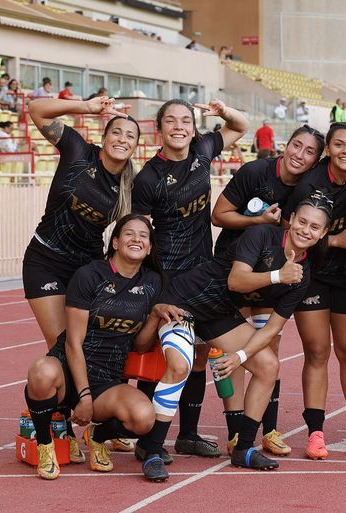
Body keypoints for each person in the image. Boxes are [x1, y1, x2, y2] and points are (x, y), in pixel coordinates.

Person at [157, 195, 332, 471]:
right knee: (171, 362)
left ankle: (243, 448)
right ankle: (150, 446)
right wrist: (278, 276)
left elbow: (273, 328)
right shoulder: (262, 235)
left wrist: (240, 356)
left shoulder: (303, 273)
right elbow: (236, 280)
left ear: (323, 233)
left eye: (314, 227)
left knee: (267, 365)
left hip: (218, 313)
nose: (305, 230)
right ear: (292, 218)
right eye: (302, 222)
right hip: (187, 299)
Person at [23, 214, 184, 480]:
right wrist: (84, 396)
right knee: (41, 371)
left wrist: (155, 315)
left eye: (143, 236)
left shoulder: (153, 283)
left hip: (107, 379)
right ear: (117, 242)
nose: (137, 239)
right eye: (129, 234)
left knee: (144, 419)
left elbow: (141, 347)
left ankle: (97, 435)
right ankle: (45, 444)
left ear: (150, 247)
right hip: (68, 367)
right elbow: (74, 342)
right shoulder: (90, 275)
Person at [132, 98, 248, 463]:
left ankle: (187, 435)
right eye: (171, 121)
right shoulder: (148, 177)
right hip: (169, 280)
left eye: (185, 120)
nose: (179, 127)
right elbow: (139, 231)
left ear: (193, 128)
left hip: (205, 275)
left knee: (200, 354)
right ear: (159, 129)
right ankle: (146, 438)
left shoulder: (203, 148)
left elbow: (240, 126)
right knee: (162, 356)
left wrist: (224, 111)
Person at [22, 96, 139, 460]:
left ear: (136, 146)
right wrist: (87, 108)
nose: (122, 138)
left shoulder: (129, 185)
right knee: (62, 343)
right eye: (116, 132)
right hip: (45, 260)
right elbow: (36, 109)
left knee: (93, 342)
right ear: (104, 137)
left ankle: (94, 418)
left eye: (130, 136)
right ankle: (61, 421)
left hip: (86, 267)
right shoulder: (77, 151)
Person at [211, 124, 324, 456]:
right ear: (285, 145)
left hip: (276, 272)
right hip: (238, 267)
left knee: (266, 351)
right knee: (226, 350)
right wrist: (258, 222)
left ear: (316, 160)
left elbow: (307, 227)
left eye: (309, 152)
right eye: (296, 146)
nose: (299, 155)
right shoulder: (255, 171)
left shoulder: (308, 187)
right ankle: (235, 432)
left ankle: (268, 429)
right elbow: (219, 216)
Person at [281, 122, 346, 459]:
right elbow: (291, 231)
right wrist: (335, 239)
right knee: (317, 351)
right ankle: (315, 432)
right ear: (328, 149)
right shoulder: (310, 184)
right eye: (338, 144)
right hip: (314, 274)